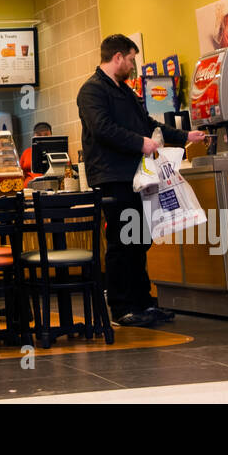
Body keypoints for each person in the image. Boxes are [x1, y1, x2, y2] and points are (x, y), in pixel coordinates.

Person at [77, 34, 208, 328]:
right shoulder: (92, 91)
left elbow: (150, 125)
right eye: (132, 59)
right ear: (118, 57)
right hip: (112, 176)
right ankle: (122, 307)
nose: (134, 65)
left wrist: (185, 136)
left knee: (141, 239)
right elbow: (103, 129)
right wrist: (140, 143)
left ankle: (143, 302)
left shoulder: (124, 91)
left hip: (137, 176)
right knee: (123, 240)